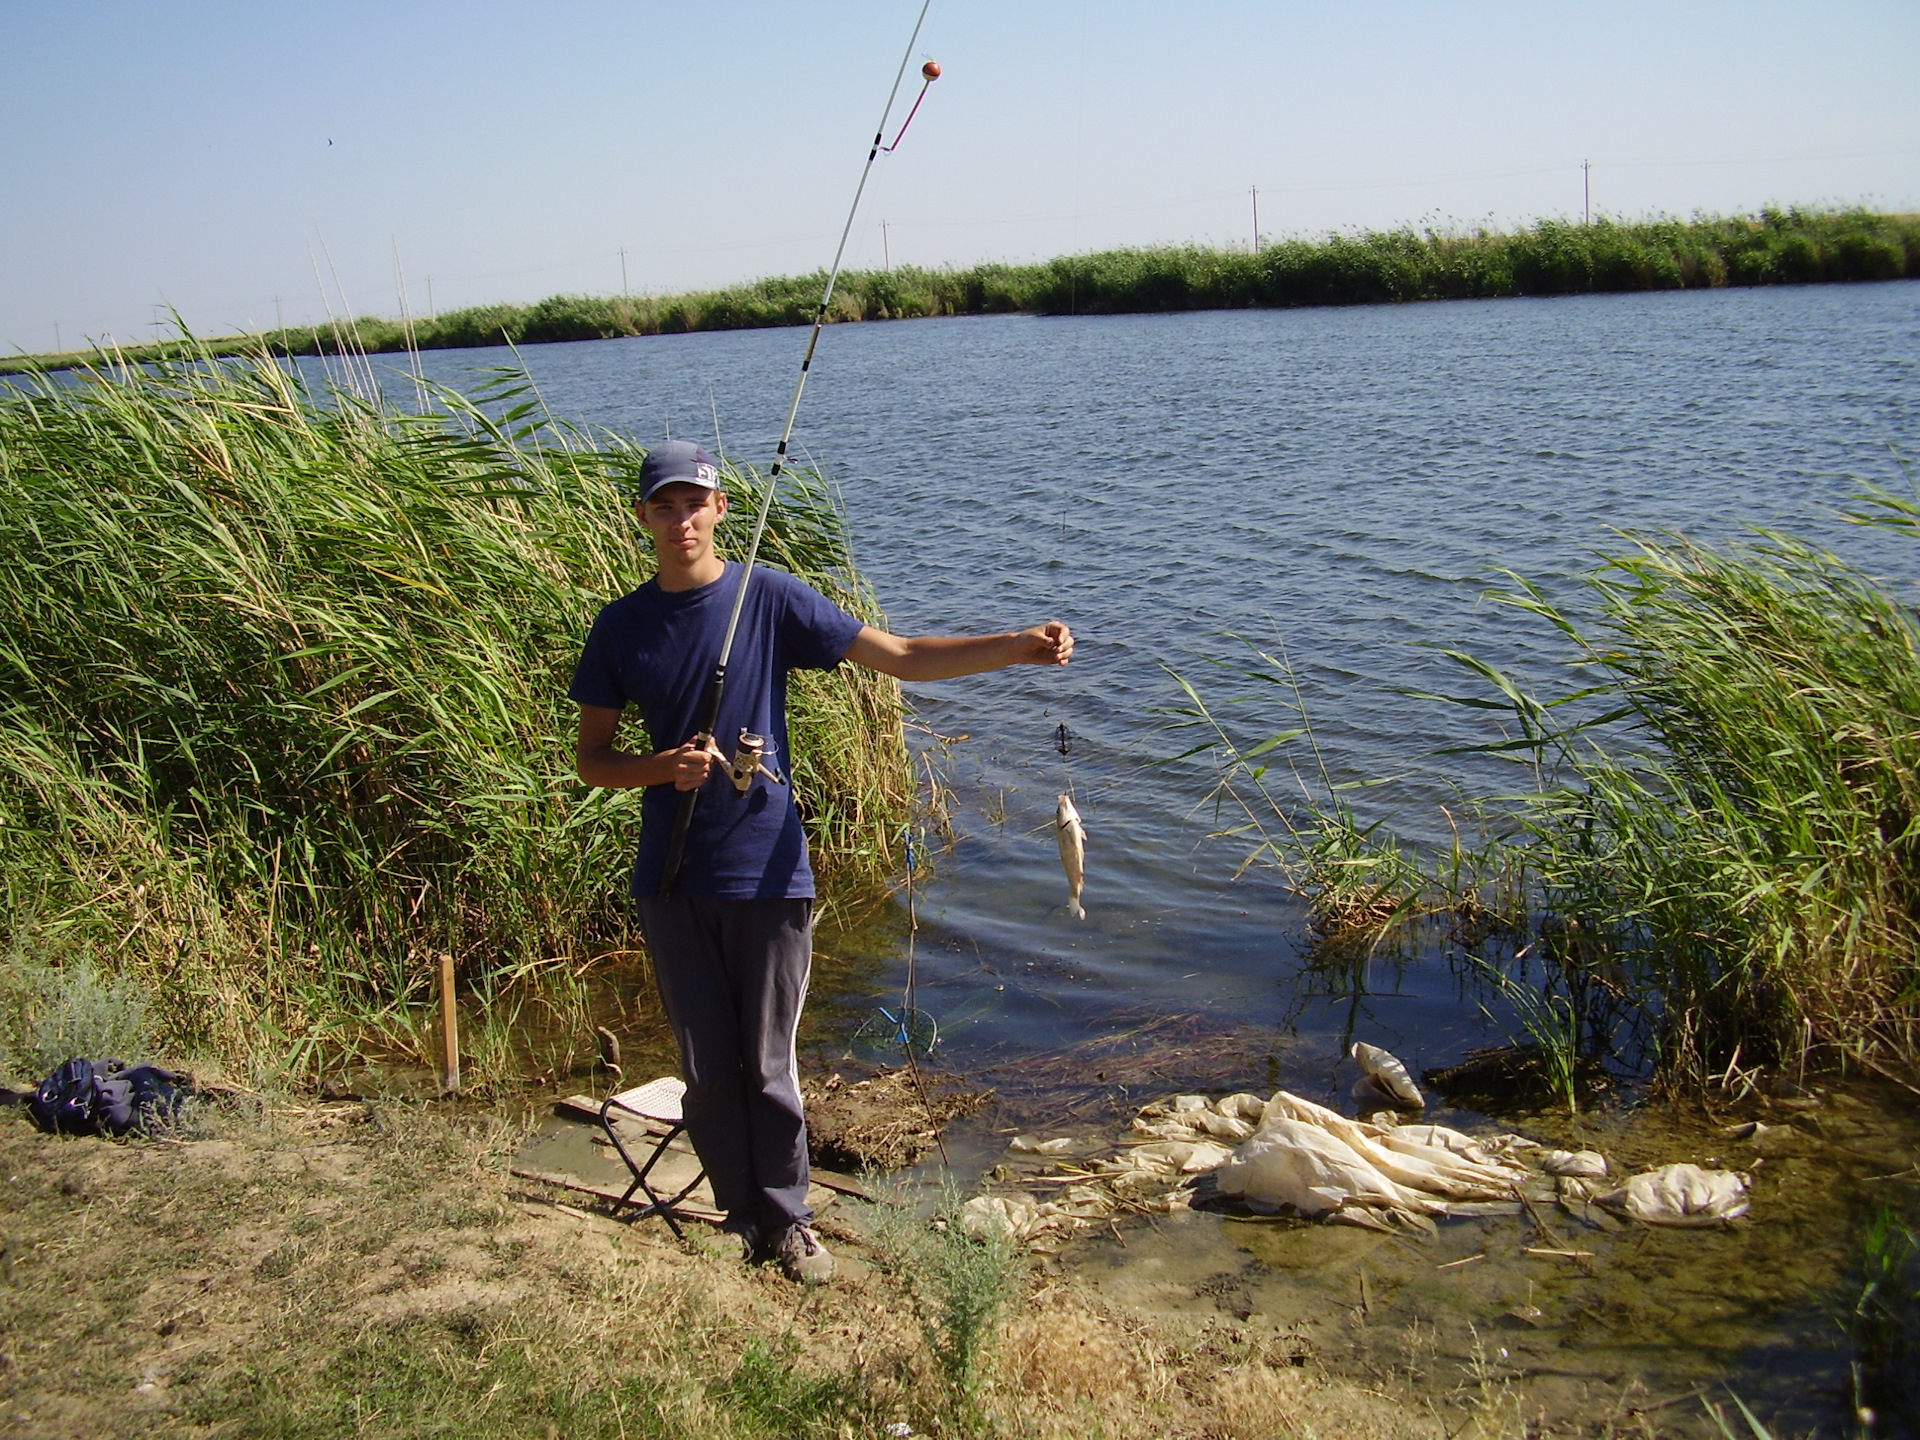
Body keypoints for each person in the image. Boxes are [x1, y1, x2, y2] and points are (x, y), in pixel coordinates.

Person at [571, 440, 1072, 1283]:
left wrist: (1017, 646)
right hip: (671, 879)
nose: (681, 518)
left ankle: (791, 1219)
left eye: (696, 502)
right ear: (643, 517)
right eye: (665, 504)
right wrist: (664, 768)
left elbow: (902, 656)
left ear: (721, 509)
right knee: (706, 1067)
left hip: (769, 872)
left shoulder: (764, 598)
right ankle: (740, 1219)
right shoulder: (621, 627)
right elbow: (592, 759)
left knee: (769, 1064)